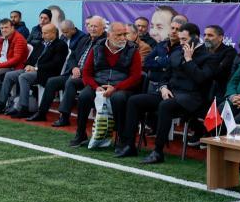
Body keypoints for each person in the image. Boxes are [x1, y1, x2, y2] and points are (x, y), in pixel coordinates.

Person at [116, 22, 212, 163]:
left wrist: (189, 60)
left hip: (190, 98)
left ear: (196, 37)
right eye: (180, 39)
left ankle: (158, 151)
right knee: (134, 101)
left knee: (165, 106)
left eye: (184, 40)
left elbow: (201, 79)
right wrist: (163, 87)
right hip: (169, 93)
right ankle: (129, 145)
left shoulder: (208, 56)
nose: (181, 43)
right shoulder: (177, 51)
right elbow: (165, 76)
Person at [67, 21, 143, 149]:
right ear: (109, 35)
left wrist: (116, 88)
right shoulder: (97, 47)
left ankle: (121, 138)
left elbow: (136, 77)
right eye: (119, 35)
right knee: (84, 96)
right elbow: (86, 72)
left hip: (122, 86)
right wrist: (96, 87)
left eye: (125, 34)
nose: (123, 38)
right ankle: (80, 134)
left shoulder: (132, 50)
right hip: (99, 84)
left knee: (118, 98)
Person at [38, 16, 103, 126]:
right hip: (74, 72)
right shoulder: (84, 39)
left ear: (103, 28)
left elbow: (99, 63)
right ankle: (41, 113)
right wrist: (74, 68)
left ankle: (64, 117)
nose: (92, 28)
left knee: (71, 82)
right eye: (90, 26)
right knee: (52, 81)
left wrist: (81, 71)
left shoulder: (104, 42)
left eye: (95, 26)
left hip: (90, 77)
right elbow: (72, 56)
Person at [12, 21, 67, 118]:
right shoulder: (41, 44)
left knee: (23, 77)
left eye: (45, 33)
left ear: (54, 33)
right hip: (33, 70)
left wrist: (36, 68)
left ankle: (24, 108)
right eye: (42, 32)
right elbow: (31, 58)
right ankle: (5, 103)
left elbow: (55, 64)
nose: (42, 35)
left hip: (47, 73)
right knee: (10, 75)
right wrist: (28, 65)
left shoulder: (60, 45)